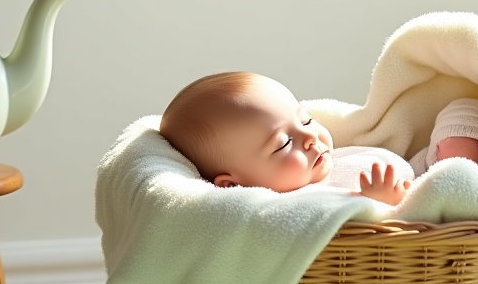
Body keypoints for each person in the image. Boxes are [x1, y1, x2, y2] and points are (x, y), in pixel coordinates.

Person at [159, 71, 414, 204]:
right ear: (233, 187)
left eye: (305, 120)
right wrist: (374, 204)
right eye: (284, 144)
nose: (310, 137)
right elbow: (340, 227)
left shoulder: (342, 157)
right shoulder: (291, 206)